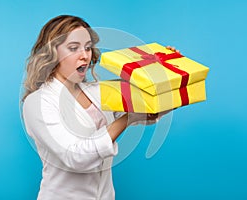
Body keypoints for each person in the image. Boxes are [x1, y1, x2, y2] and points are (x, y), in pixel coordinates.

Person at [21, 15, 164, 200]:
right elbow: (75, 158)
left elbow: (149, 109)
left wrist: (164, 71)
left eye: (88, 47)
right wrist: (127, 119)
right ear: (52, 53)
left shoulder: (97, 91)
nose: (85, 55)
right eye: (74, 48)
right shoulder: (38, 103)